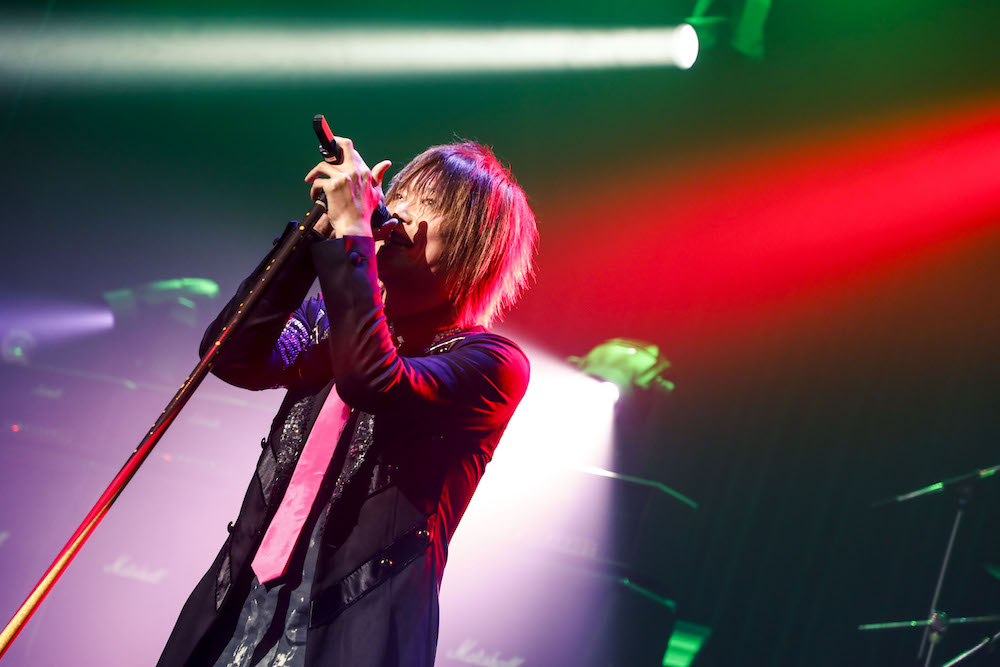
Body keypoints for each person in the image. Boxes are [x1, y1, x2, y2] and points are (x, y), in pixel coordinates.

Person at [156, 137, 537, 667]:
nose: (400, 210)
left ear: (476, 247)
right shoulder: (326, 320)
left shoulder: (492, 363)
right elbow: (233, 356)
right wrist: (314, 237)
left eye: (429, 203)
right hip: (232, 617)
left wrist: (355, 237)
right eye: (399, 194)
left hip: (350, 637)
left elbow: (374, 379)